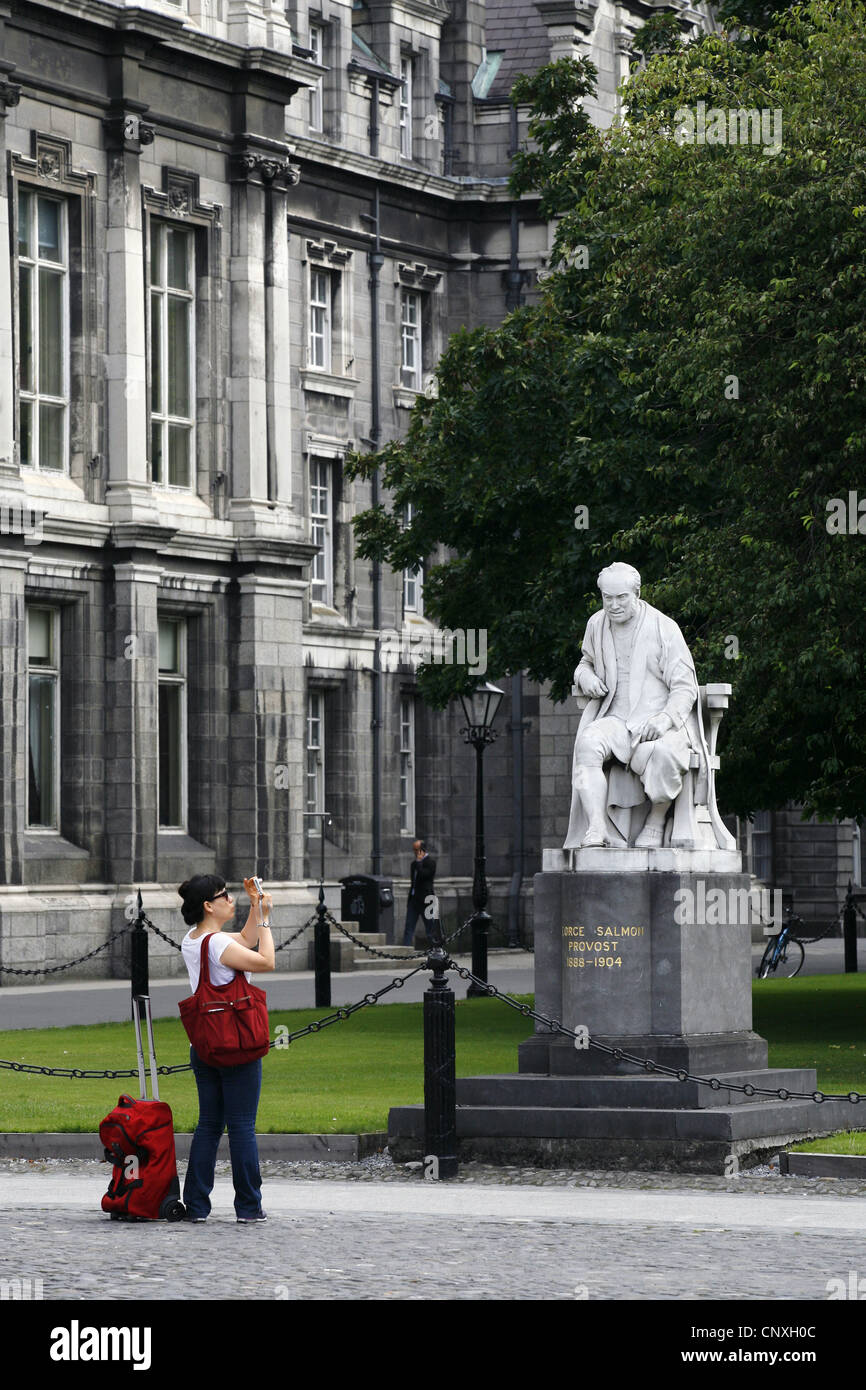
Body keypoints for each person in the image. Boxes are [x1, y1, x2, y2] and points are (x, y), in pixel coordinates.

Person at [565, 561, 712, 852]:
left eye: (622, 598)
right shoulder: (596, 623)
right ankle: (597, 828)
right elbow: (585, 662)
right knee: (587, 744)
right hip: (615, 718)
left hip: (657, 719)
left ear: (637, 593)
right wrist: (586, 676)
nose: (614, 605)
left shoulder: (663, 627)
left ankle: (656, 821)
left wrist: (666, 719)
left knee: (664, 753)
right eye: (608, 598)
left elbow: (684, 686)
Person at [178, 874, 275, 1223]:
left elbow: (245, 938)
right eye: (225, 896)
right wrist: (264, 919)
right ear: (209, 905)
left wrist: (255, 906)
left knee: (208, 1125)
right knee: (242, 1125)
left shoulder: (194, 940)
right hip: (236, 1044)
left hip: (204, 1045)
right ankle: (249, 1207)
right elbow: (265, 960)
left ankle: (197, 1206)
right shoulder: (218, 945)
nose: (230, 900)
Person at [402, 840, 436, 947]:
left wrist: (419, 862)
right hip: (414, 900)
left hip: (426, 900)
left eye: (417, 850)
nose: (415, 852)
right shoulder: (414, 864)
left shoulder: (430, 863)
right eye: (414, 850)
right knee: (409, 928)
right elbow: (414, 883)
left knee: (430, 929)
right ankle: (406, 950)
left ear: (422, 850)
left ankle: (435, 951)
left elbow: (423, 875)